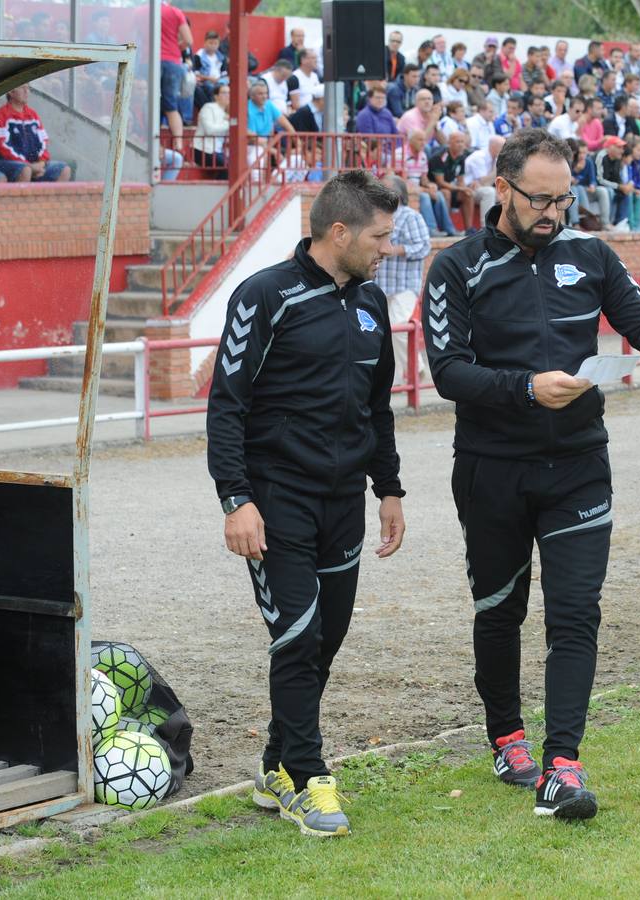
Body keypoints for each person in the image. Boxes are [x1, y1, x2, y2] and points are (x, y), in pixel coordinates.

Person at [421, 129, 640, 820]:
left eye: (563, 198)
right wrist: (524, 388)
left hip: (578, 464)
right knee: (501, 609)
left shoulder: (591, 253)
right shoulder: (457, 266)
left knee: (575, 612)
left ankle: (562, 765)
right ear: (502, 189)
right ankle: (506, 734)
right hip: (492, 469)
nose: (553, 212)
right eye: (539, 199)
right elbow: (447, 371)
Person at [206, 171, 406, 838]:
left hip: (344, 500)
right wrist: (237, 499)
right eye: (379, 236)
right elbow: (226, 405)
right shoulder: (264, 296)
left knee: (326, 639)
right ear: (339, 231)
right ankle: (309, 779)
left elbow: (375, 408)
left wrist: (390, 489)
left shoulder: (373, 303)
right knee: (296, 635)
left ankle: (275, 765)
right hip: (275, 501)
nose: (387, 248)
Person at [376, 176, 431, 380]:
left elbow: (423, 246)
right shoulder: (377, 216)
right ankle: (398, 378)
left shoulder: (410, 216)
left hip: (404, 285)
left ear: (399, 194)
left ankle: (416, 368)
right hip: (381, 285)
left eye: (386, 189)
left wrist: (396, 249)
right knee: (386, 334)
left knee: (398, 327)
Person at [0, 84, 72, 182]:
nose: (27, 91)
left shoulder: (33, 114)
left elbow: (43, 142)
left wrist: (41, 163)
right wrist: (29, 166)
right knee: (25, 170)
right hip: (7, 163)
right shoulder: (0, 115)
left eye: (28, 88)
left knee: (64, 169)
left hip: (36, 163)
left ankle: (52, 198)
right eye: (22, 87)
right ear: (11, 92)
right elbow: (2, 146)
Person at [159, 0, 193, 152]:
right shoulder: (175, 12)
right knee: (171, 105)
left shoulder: (141, 11)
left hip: (149, 60)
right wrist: (176, 48)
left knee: (151, 104)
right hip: (172, 61)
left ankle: (153, 142)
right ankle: (178, 144)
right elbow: (188, 40)